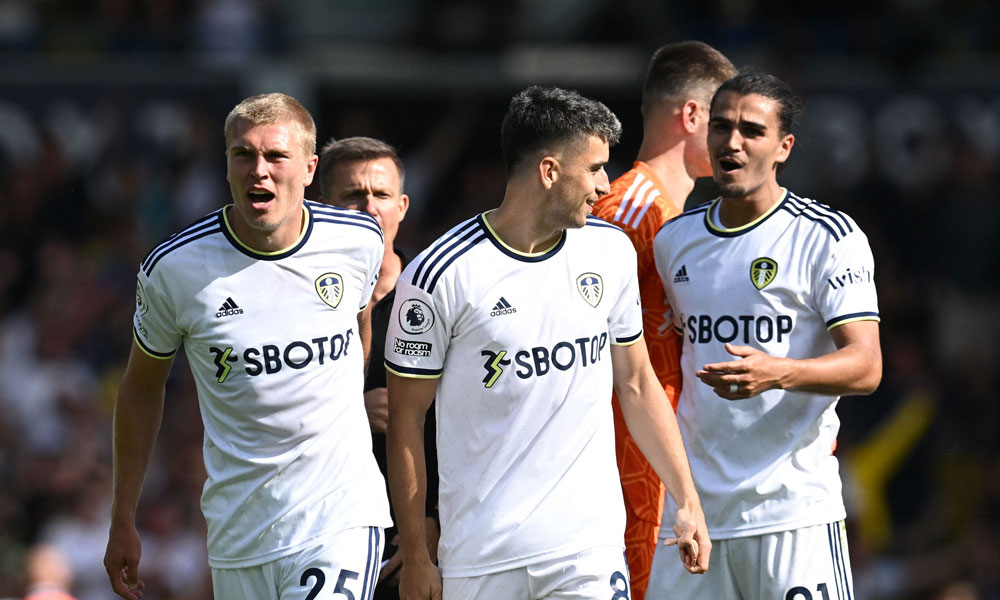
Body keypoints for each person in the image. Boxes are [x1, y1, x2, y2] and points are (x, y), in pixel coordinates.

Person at [385, 85, 710, 600]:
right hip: (481, 556)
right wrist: (418, 555)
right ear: (550, 171)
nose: (604, 185)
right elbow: (407, 419)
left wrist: (686, 497)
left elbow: (637, 383)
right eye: (595, 168)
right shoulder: (439, 274)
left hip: (588, 551)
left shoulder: (609, 251)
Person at [103, 93, 391, 600]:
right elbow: (142, 388)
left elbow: (361, 320)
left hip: (339, 517)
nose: (259, 170)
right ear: (227, 164)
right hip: (239, 533)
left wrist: (348, 402)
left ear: (309, 168)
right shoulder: (175, 269)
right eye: (244, 155)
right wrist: (123, 516)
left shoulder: (358, 239)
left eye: (276, 156)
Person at [648, 72, 882, 599]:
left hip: (792, 513)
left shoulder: (827, 237)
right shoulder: (674, 241)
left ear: (783, 148)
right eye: (721, 126)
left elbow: (867, 366)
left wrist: (778, 373)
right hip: (696, 516)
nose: (732, 142)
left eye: (752, 131)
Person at [592, 40, 736, 600]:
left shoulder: (675, 218)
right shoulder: (627, 212)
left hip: (661, 470)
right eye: (723, 123)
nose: (734, 141)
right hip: (617, 467)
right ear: (692, 115)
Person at [317, 136, 440, 600]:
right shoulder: (298, 306)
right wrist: (351, 413)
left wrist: (435, 523)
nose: (369, 207)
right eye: (353, 194)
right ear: (322, 207)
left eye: (381, 194)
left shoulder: (438, 298)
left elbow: (471, 421)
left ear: (402, 206)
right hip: (321, 536)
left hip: (418, 544)